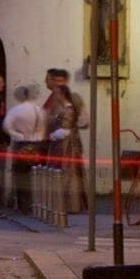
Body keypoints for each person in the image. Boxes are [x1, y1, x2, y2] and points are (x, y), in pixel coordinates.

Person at [38, 69, 83, 223]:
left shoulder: (69, 104)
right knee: (57, 173)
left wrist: (52, 134)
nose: (47, 81)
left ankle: (69, 204)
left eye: (53, 79)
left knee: (66, 174)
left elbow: (76, 123)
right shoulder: (54, 101)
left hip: (65, 145)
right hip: (57, 144)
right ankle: (59, 203)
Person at [1, 82, 48, 214]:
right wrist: (38, 136)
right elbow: (44, 128)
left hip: (21, 144)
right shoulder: (40, 110)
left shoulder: (16, 110)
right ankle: (39, 204)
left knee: (22, 176)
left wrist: (17, 135)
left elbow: (6, 126)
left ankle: (24, 205)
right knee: (38, 175)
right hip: (37, 144)